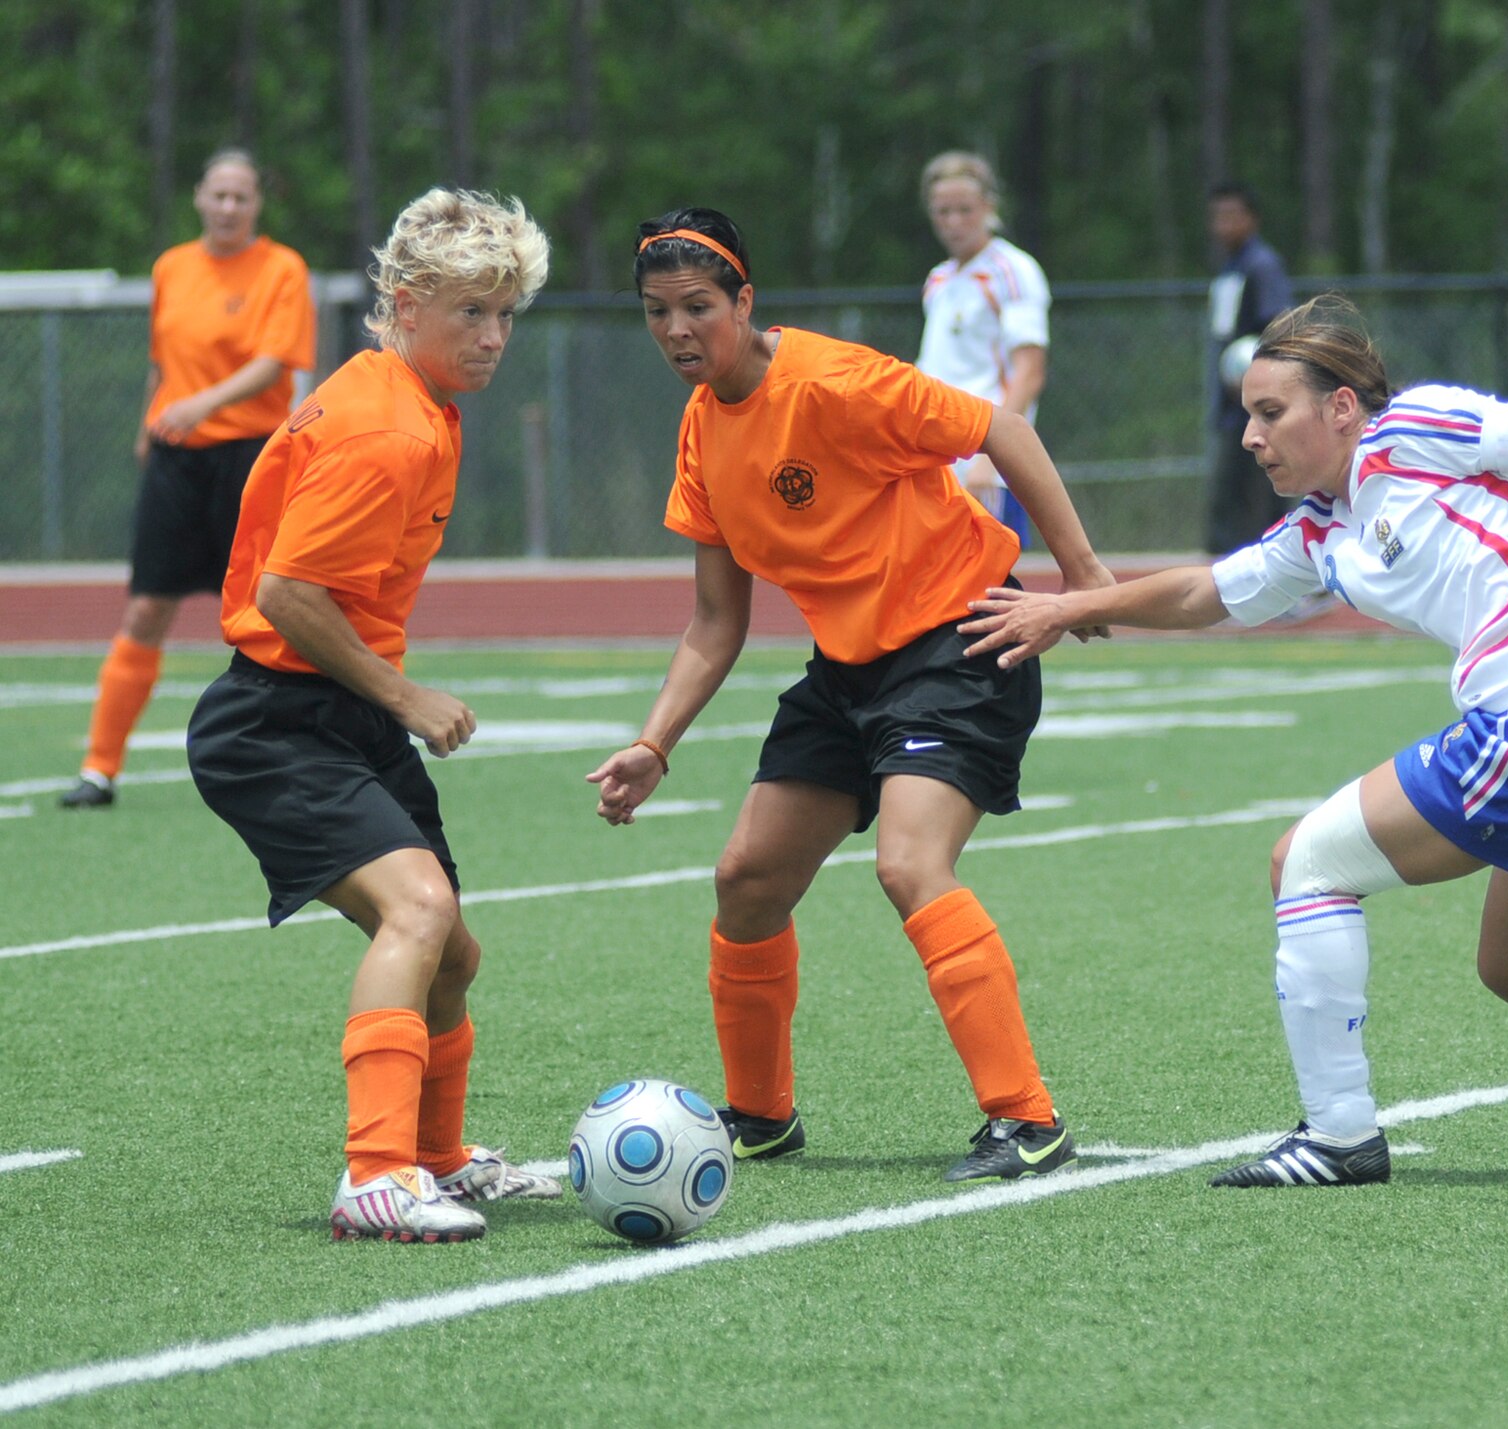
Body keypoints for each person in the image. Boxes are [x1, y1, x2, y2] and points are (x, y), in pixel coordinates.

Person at [961, 292, 1508, 1187]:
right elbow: (1204, 594)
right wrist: (1074, 604)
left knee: (1304, 863)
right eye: (1247, 417)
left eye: (1271, 413)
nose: (1250, 437)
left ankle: (1339, 1136)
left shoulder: (1410, 427)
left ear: (1341, 407)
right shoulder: (1319, 530)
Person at [586, 207, 1116, 1183]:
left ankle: (1025, 1120)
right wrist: (653, 744)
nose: (675, 330)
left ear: (745, 301)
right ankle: (760, 1115)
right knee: (746, 878)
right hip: (847, 673)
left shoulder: (835, 382)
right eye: (655, 311)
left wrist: (1080, 574)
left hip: (959, 642)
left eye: (698, 306)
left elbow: (1001, 430)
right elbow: (715, 620)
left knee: (908, 862)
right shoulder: (702, 431)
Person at [185, 189, 560, 1242]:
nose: (491, 338)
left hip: (333, 713)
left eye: (505, 315)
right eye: (469, 314)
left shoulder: (409, 402)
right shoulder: (386, 427)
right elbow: (288, 595)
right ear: (404, 304)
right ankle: (376, 1173)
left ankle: (436, 1158)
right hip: (276, 721)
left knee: (454, 956)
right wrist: (405, 694)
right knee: (418, 913)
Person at [61, 148, 317, 810]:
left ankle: (298, 759)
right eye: (218, 195)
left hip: (251, 456)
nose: (229, 207)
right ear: (199, 197)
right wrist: (147, 428)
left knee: (271, 610)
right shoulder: (172, 267)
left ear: (257, 205)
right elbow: (163, 360)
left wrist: (203, 404)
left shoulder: (281, 268)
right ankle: (99, 768)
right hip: (178, 457)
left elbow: (273, 363)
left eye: (242, 197)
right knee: (148, 606)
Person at [916, 150, 1049, 549]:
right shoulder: (938, 279)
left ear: (988, 207)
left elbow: (1030, 371)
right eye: (943, 211)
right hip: (938, 457)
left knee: (993, 586)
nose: (954, 222)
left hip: (983, 460)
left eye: (964, 209)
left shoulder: (1012, 271)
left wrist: (992, 456)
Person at [1204, 181, 1293, 555]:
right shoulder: (1230, 269)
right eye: (1217, 217)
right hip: (1231, 402)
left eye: (1232, 216)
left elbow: (1277, 323)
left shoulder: (1262, 265)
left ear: (1251, 219)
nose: (1223, 225)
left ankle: (1278, 568)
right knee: (1230, 493)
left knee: (1256, 490)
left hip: (1255, 403)